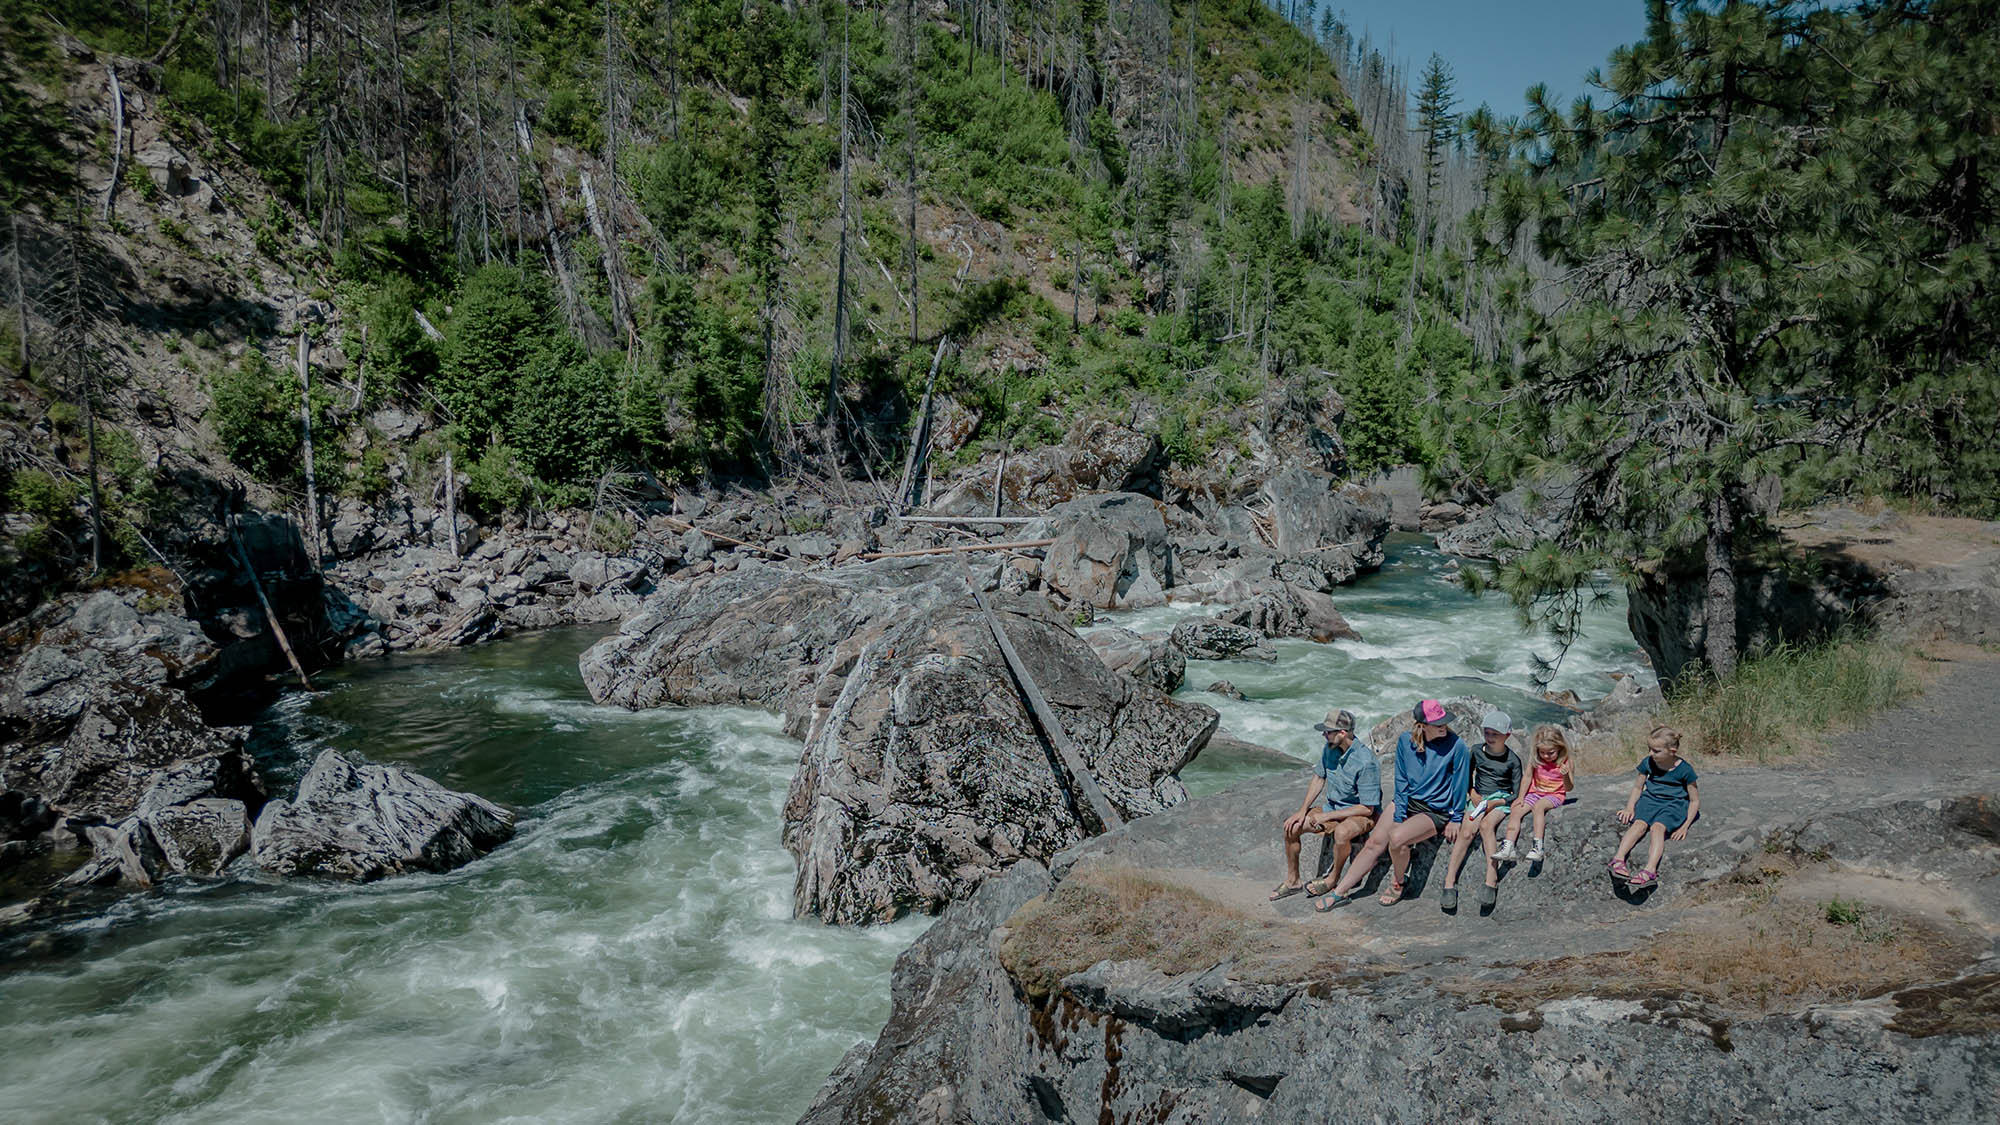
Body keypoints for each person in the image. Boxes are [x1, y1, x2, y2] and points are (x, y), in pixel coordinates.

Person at [1315, 699, 1471, 911]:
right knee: (1374, 843)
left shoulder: (1457, 746)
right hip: (1408, 801)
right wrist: (1399, 815)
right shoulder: (1406, 741)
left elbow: (1460, 783)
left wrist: (1455, 817)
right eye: (1437, 723)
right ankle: (1339, 892)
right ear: (1422, 725)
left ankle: (1399, 881)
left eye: (1444, 720)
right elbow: (1402, 780)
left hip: (1436, 810)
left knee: (1397, 840)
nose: (1443, 725)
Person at [1270, 709, 1379, 901]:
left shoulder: (1365, 761)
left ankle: (1332, 879)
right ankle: (1293, 881)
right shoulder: (1329, 748)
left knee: (1342, 833)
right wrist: (1302, 811)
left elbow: (1367, 808)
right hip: (1333, 809)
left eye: (1328, 731)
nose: (1324, 735)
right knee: (1292, 827)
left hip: (1360, 815)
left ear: (1342, 733)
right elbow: (1319, 778)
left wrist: (1326, 817)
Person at [1438, 710, 1524, 911]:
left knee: (1487, 826)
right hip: (1478, 797)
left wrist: (1497, 802)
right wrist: (1472, 793)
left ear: (1507, 736)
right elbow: (1465, 778)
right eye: (1487, 733)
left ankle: (1491, 878)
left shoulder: (1513, 760)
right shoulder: (1476, 751)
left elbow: (1517, 793)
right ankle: (1449, 881)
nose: (1490, 738)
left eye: (1495, 734)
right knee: (1466, 832)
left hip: (1500, 800)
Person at [1608, 725, 1700, 890]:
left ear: (1672, 751)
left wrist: (1685, 826)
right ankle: (1618, 859)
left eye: (1656, 750)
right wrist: (1629, 808)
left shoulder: (1685, 770)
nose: (1651, 753)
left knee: (1657, 829)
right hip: (1650, 800)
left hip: (1673, 805)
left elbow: (1694, 801)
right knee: (1639, 824)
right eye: (1649, 749)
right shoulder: (1648, 762)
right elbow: (1638, 787)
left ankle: (1650, 870)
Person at [1497, 725, 1576, 863]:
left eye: (1550, 753)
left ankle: (1538, 848)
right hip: (1536, 792)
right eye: (1542, 752)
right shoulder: (1535, 759)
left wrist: (1565, 776)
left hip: (1555, 794)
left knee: (1538, 807)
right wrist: (1521, 797)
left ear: (1559, 748)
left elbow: (1569, 788)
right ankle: (1508, 847)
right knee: (1516, 810)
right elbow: (1527, 777)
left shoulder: (1566, 762)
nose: (1546, 756)